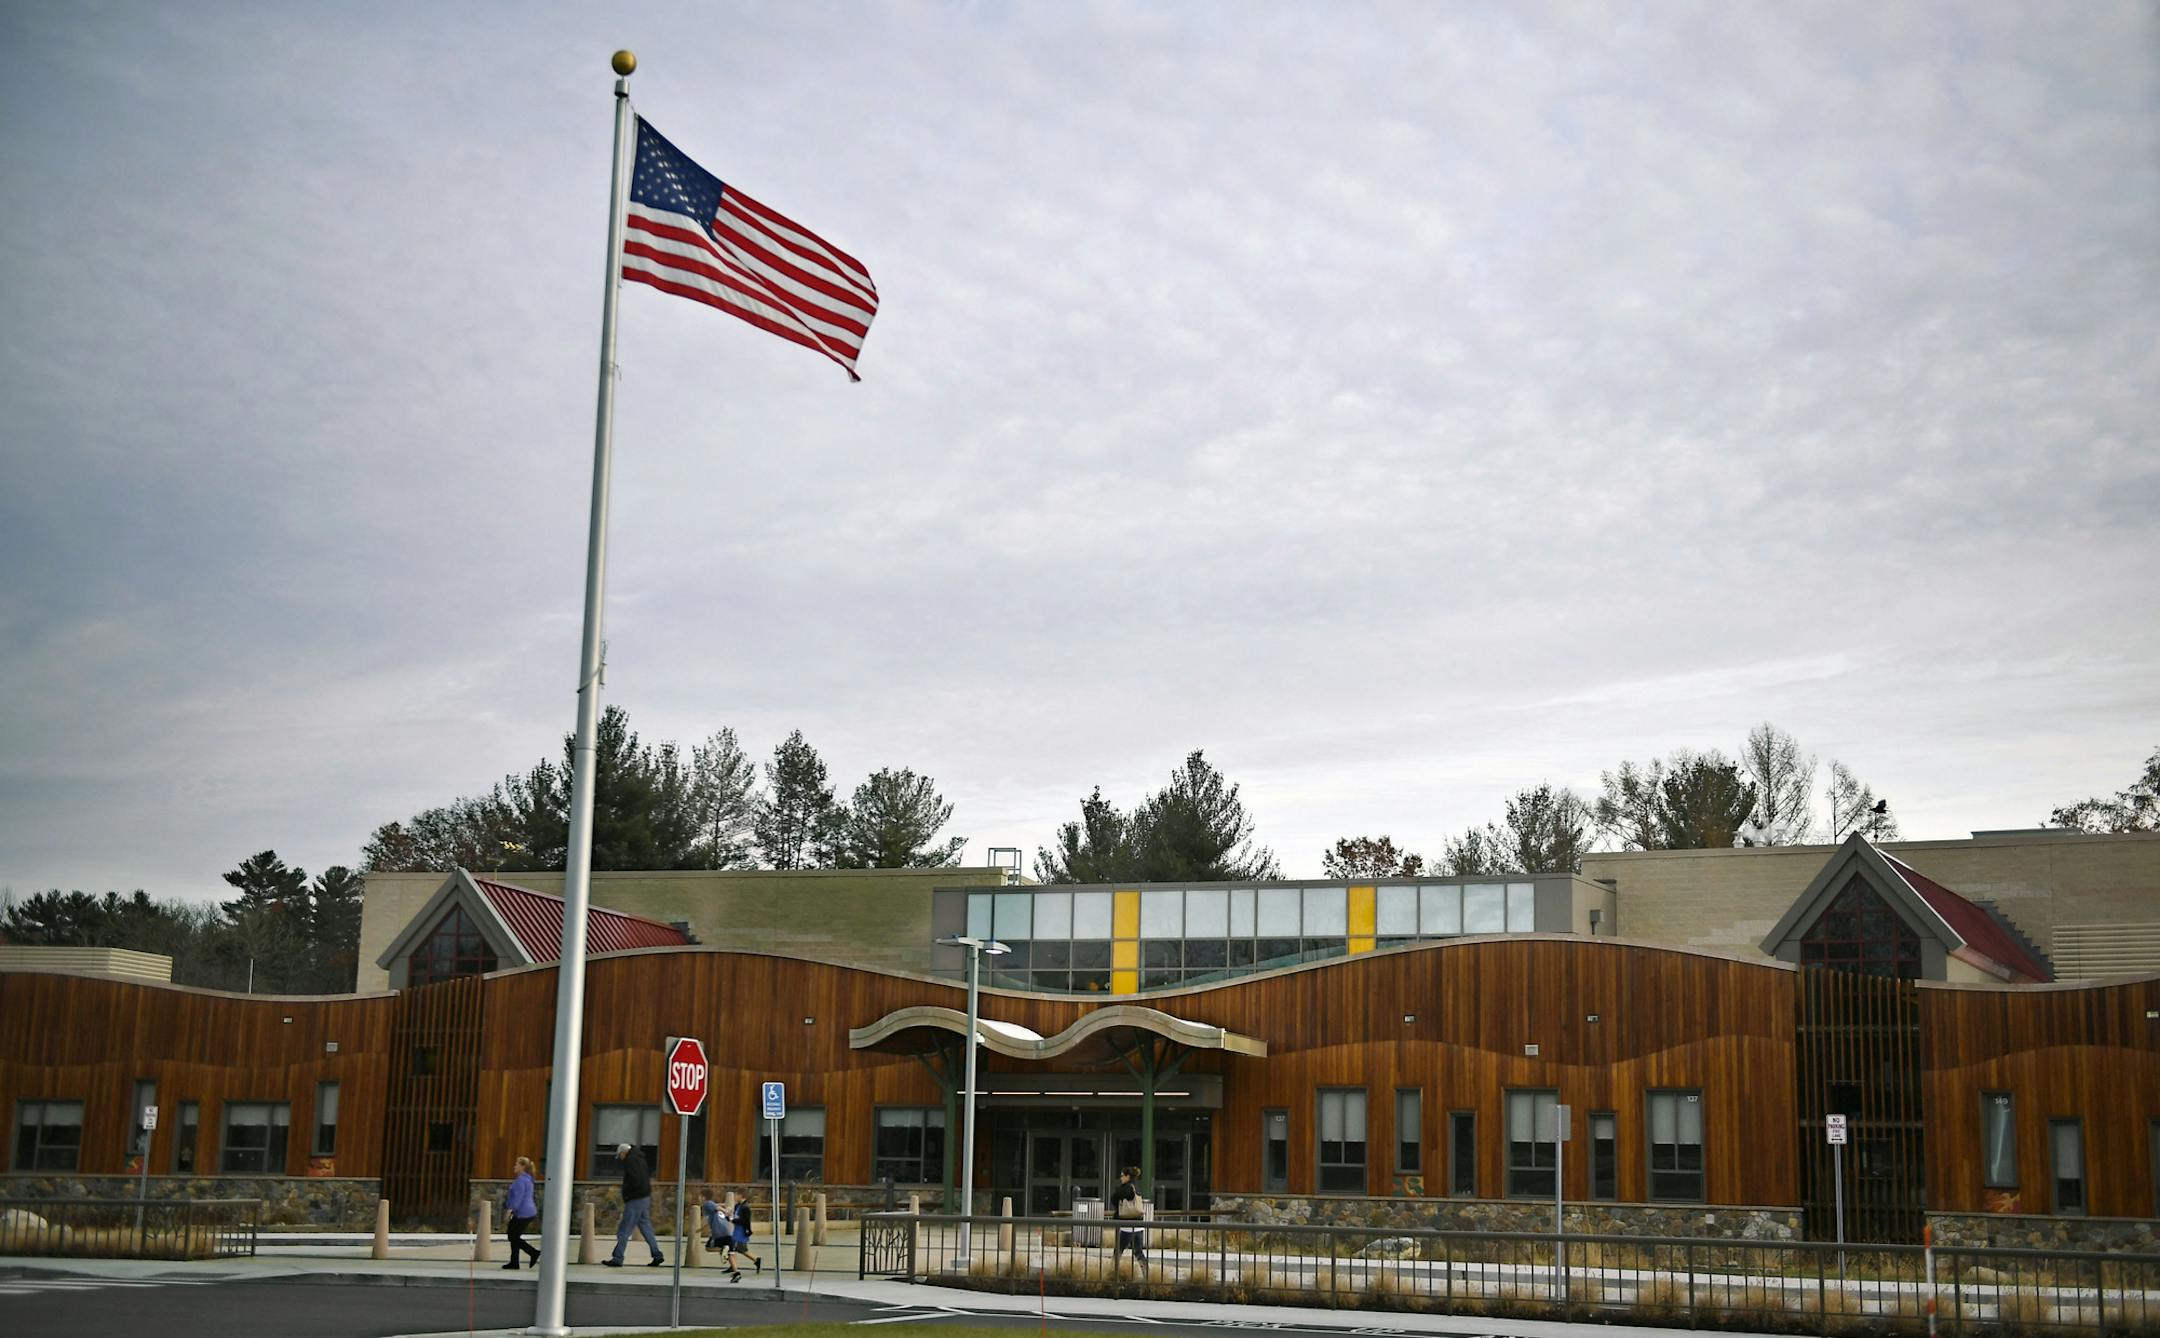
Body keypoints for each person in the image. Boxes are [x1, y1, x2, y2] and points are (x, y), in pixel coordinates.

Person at [603, 1141, 664, 1267]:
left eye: (620, 1155)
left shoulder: (631, 1161)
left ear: (623, 1153)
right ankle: (657, 1254)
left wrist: (627, 1194)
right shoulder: (640, 1159)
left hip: (635, 1198)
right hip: (644, 1197)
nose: (620, 1158)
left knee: (624, 1229)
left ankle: (618, 1257)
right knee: (646, 1228)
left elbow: (634, 1180)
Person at [501, 1154, 541, 1270]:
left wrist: (509, 1211)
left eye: (516, 1164)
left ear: (522, 1166)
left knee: (513, 1236)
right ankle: (514, 1262)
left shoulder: (521, 1181)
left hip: (523, 1213)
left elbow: (517, 1199)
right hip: (527, 1212)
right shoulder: (527, 1179)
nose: (514, 1166)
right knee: (514, 1235)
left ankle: (533, 1252)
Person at [1112, 1165, 1147, 1272]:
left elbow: (1114, 1198)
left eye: (1122, 1176)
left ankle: (1113, 1272)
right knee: (1138, 1252)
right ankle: (1146, 1272)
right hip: (1138, 1226)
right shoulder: (1136, 1187)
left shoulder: (1127, 1188)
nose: (1121, 1178)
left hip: (1127, 1227)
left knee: (1118, 1251)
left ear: (1128, 1176)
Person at [724, 1188, 762, 1282]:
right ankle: (756, 1260)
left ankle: (735, 1271)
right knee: (740, 1249)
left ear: (741, 1195)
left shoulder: (745, 1207)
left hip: (740, 1232)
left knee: (732, 1250)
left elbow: (745, 1221)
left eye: (736, 1195)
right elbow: (735, 1216)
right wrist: (730, 1217)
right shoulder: (738, 1206)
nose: (735, 1197)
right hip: (737, 1230)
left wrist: (733, 1221)